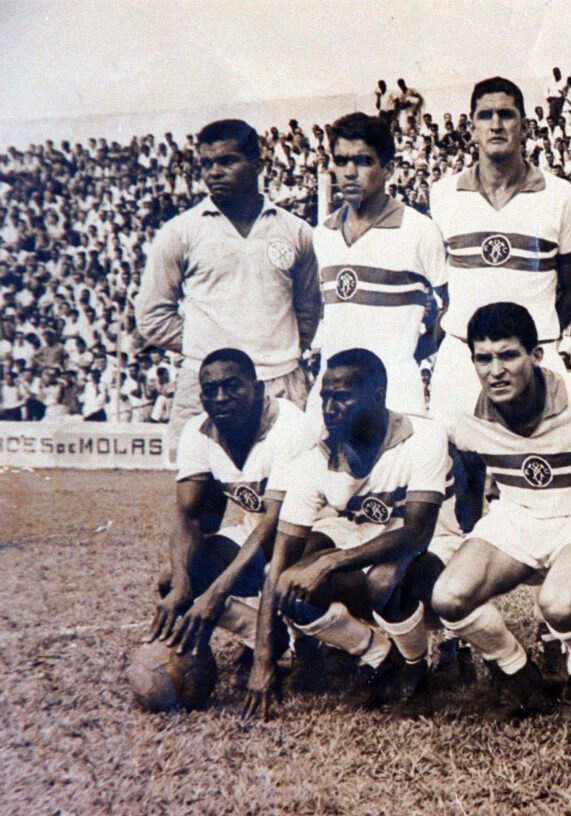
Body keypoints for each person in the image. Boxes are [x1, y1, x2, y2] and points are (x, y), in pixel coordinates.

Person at [243, 348, 459, 719]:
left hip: (436, 549)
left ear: (378, 396)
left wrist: (329, 563)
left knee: (384, 579)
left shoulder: (423, 435)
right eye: (325, 397)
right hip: (362, 543)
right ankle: (382, 658)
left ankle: (417, 670)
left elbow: (416, 534)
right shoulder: (315, 456)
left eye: (341, 397)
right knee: (288, 584)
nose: (329, 408)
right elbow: (280, 558)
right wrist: (263, 659)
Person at [431, 303, 571, 722]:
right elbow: (411, 433)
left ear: (536, 355)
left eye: (508, 355)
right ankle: (519, 675)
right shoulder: (463, 414)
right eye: (483, 358)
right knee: (448, 597)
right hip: (516, 515)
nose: (495, 371)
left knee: (559, 605)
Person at [428, 77, 571, 530]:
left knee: (540, 477)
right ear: (471, 128)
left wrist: (534, 338)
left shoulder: (558, 194)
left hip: (534, 356)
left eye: (506, 114)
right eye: (486, 115)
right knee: (462, 468)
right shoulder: (444, 194)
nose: (496, 124)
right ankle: (469, 550)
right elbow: (442, 282)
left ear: (525, 126)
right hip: (463, 353)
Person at [135, 119, 321, 446]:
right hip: (206, 383)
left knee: (286, 476)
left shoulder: (297, 231)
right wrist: (210, 348)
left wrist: (275, 351)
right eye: (207, 164)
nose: (214, 173)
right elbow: (151, 316)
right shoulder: (180, 232)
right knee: (199, 479)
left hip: (279, 382)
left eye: (227, 161)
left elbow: (308, 311)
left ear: (258, 165)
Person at [147, 348, 318, 677]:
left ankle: (314, 641)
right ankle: (262, 636)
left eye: (232, 386)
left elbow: (276, 521)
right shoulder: (198, 431)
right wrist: (183, 584)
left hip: (312, 535)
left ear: (258, 389)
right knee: (175, 576)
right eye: (211, 390)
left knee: (283, 577)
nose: (221, 398)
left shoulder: (289, 425)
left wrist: (215, 593)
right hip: (260, 534)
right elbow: (188, 515)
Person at [309, 113, 447, 417]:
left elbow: (452, 307)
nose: (349, 172)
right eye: (341, 161)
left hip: (396, 393)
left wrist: (409, 355)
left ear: (388, 169)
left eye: (363, 161)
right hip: (330, 392)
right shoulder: (322, 235)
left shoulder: (419, 231)